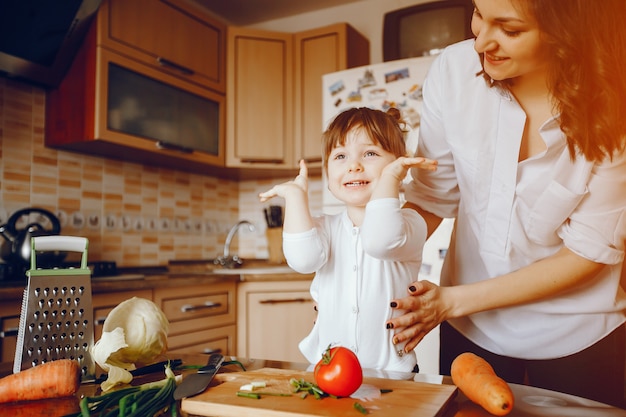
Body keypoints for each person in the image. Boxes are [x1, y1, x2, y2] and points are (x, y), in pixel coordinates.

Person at [385, 0, 626, 407]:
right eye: (478, 14)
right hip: (469, 332)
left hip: (580, 335)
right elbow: (432, 196)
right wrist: (364, 246)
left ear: (566, 34)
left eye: (509, 30)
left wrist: (449, 300)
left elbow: (590, 253)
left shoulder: (612, 103)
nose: (481, 41)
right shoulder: (454, 72)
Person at [259, 107, 437, 373]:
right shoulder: (325, 227)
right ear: (329, 176)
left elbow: (380, 239)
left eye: (370, 153)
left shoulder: (409, 223)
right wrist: (296, 198)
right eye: (340, 156)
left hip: (392, 372)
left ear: (400, 166)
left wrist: (389, 179)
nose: (354, 165)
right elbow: (302, 260)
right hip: (329, 370)